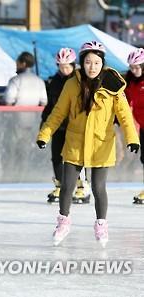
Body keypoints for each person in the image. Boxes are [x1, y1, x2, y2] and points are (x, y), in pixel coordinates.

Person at [37, 41, 140, 248]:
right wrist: (44, 134)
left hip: (101, 144)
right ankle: (63, 222)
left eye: (96, 62)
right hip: (75, 142)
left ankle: (101, 224)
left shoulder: (113, 85)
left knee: (98, 187)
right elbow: (58, 112)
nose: (92, 67)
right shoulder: (72, 84)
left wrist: (132, 139)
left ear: (102, 63)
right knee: (67, 186)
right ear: (82, 63)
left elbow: (125, 116)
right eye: (88, 62)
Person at [42, 48, 91, 204]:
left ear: (73, 64)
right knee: (56, 156)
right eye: (61, 66)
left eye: (67, 66)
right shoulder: (54, 81)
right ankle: (60, 184)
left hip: (76, 126)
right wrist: (44, 124)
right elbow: (50, 105)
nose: (64, 70)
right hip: (58, 125)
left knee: (76, 157)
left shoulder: (80, 80)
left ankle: (82, 185)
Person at [124, 48, 144, 204]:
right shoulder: (130, 82)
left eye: (137, 67)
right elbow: (125, 101)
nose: (134, 70)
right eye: (132, 67)